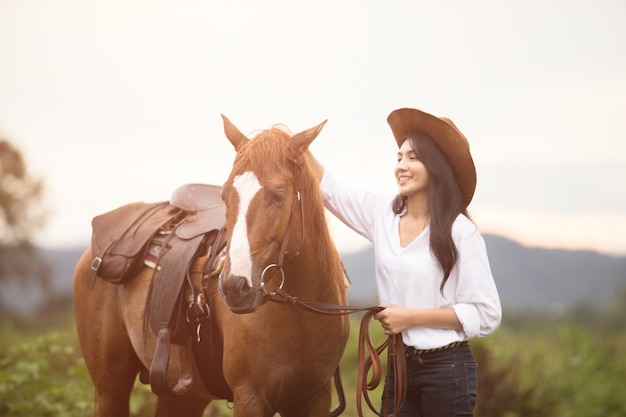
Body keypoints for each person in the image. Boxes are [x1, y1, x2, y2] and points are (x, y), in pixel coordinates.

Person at [309, 107, 502, 416]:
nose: (401, 166)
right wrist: (290, 142)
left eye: (413, 158)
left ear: (437, 166)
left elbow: (486, 312)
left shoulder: (461, 233)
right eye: (399, 157)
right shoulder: (382, 213)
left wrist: (411, 317)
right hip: (401, 367)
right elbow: (330, 189)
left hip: (448, 369)